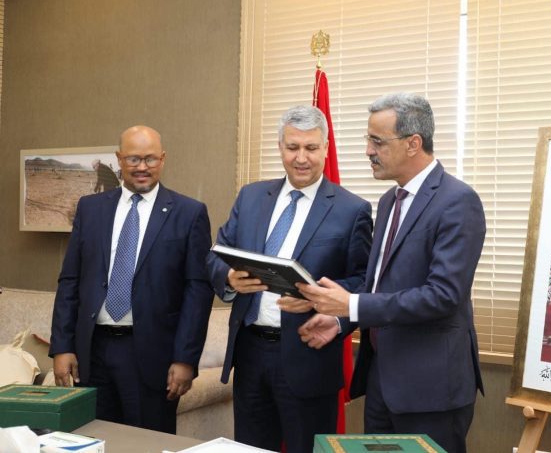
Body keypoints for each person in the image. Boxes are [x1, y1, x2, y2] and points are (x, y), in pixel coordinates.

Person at [290, 93, 485, 453]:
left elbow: (443, 296)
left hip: (431, 390)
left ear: (413, 143)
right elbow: (378, 284)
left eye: (377, 141)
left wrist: (352, 305)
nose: (368, 150)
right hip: (382, 381)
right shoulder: (388, 201)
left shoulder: (457, 201)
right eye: (369, 140)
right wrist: (340, 320)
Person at [206, 105, 372, 453]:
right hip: (250, 354)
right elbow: (215, 255)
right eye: (292, 147)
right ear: (280, 146)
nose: (301, 158)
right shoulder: (251, 197)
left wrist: (320, 300)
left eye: (311, 148)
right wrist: (230, 278)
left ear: (326, 148)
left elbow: (364, 282)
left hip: (310, 354)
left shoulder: (351, 209)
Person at [50, 125, 214, 434]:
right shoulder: (90, 208)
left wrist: (186, 359)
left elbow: (198, 292)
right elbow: (70, 280)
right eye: (133, 159)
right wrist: (62, 346)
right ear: (119, 159)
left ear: (163, 159)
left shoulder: (189, 213)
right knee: (93, 439)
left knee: (147, 443)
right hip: (92, 352)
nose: (142, 167)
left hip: (152, 356)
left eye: (150, 159)